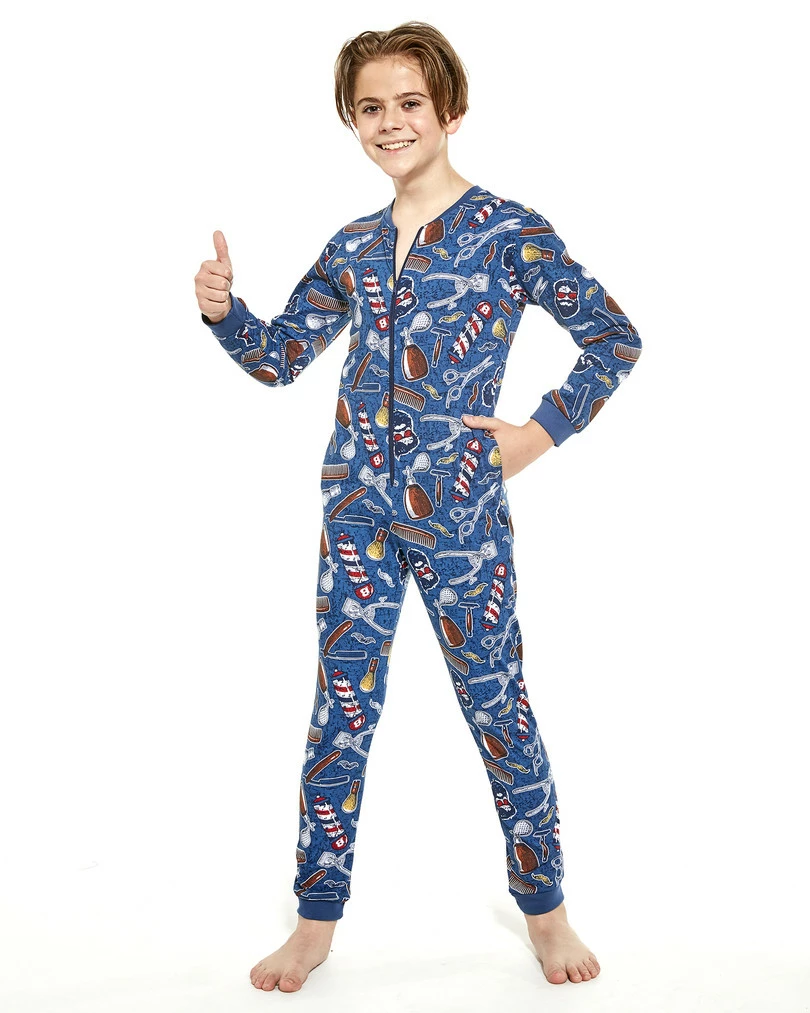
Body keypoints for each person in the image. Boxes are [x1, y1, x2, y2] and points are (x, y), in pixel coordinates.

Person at [194, 20, 641, 992]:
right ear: (351, 122)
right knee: (340, 713)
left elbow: (613, 337)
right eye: (370, 108)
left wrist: (535, 435)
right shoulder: (353, 245)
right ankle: (315, 921)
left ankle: (546, 909)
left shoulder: (508, 231)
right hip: (356, 513)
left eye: (409, 103)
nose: (389, 122)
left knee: (498, 706)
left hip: (462, 516)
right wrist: (224, 312)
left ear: (450, 111)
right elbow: (281, 358)